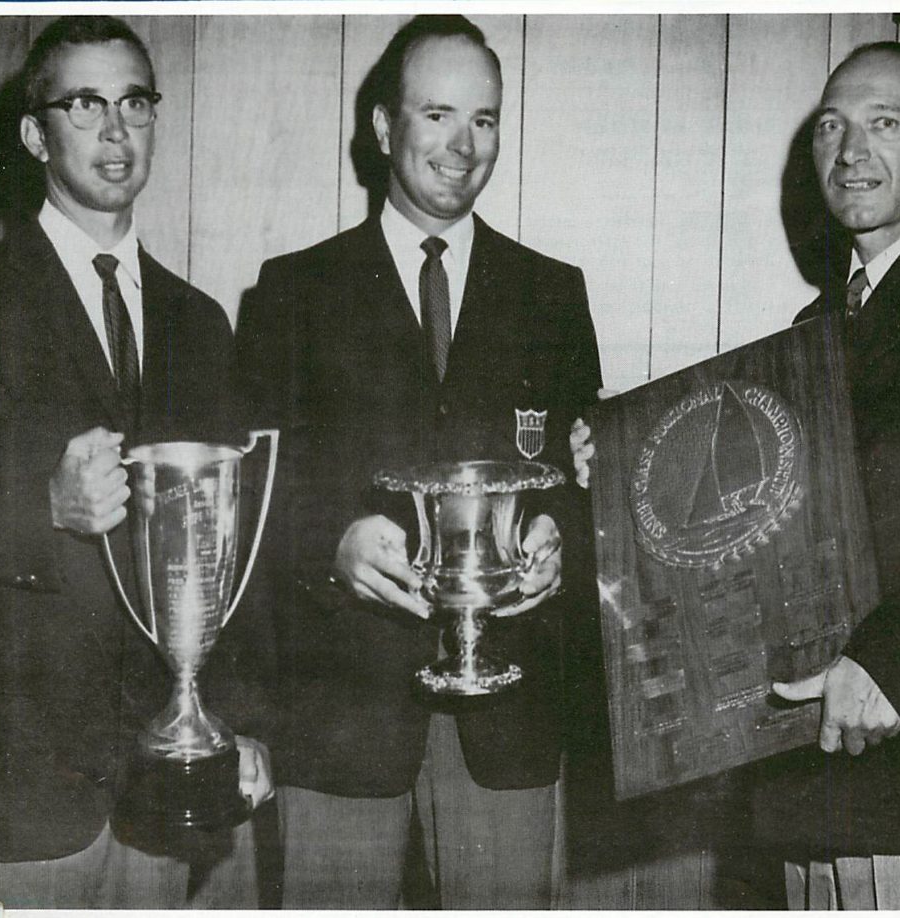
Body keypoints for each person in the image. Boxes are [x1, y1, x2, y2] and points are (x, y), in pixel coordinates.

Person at [571, 40, 900, 910]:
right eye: (831, 127)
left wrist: (898, 664)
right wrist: (618, 476)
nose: (851, 151)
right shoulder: (816, 329)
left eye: (885, 123)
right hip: (813, 781)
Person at [237, 14, 601, 908]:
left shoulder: (553, 294)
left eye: (484, 119)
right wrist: (331, 545)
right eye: (437, 115)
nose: (462, 146)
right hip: (342, 713)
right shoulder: (293, 292)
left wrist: (560, 537)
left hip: (510, 719)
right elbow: (249, 499)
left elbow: (580, 478)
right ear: (382, 126)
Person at [0, 16, 272, 909]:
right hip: (17, 791)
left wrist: (237, 721)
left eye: (135, 103)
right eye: (85, 105)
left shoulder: (200, 322)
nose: (116, 130)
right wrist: (41, 506)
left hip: (169, 785)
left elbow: (231, 546)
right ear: (33, 134)